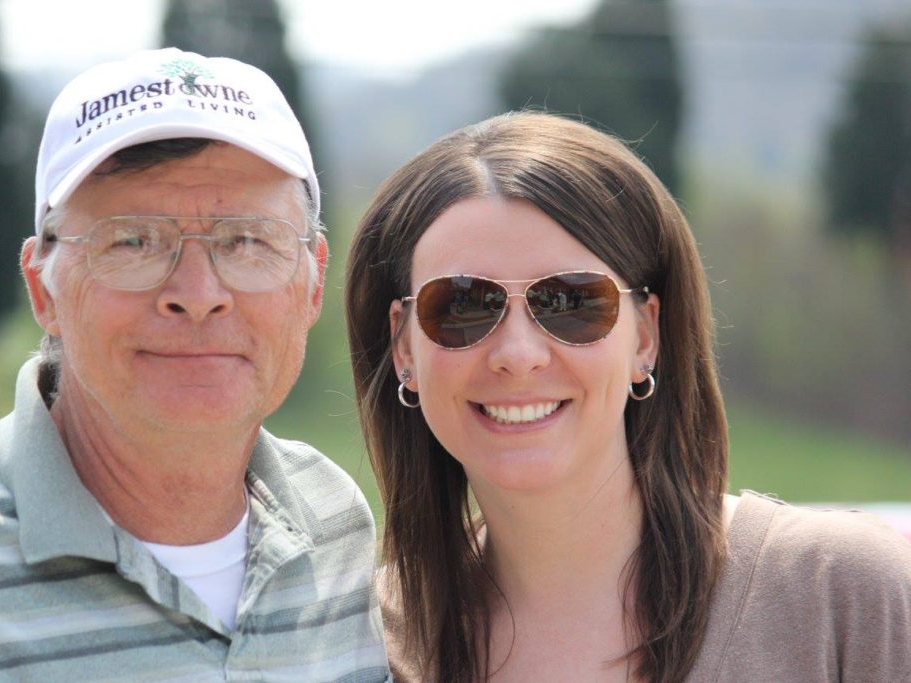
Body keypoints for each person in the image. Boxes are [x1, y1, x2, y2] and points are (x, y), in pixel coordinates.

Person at [344, 111, 911, 682]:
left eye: (570, 302)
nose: (518, 353)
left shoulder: (841, 596)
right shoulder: (362, 649)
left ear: (645, 336)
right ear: (404, 348)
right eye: (463, 305)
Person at [0, 48, 389, 682]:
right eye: (133, 240)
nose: (199, 293)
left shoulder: (334, 525)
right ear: (43, 290)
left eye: (247, 240)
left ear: (314, 283)